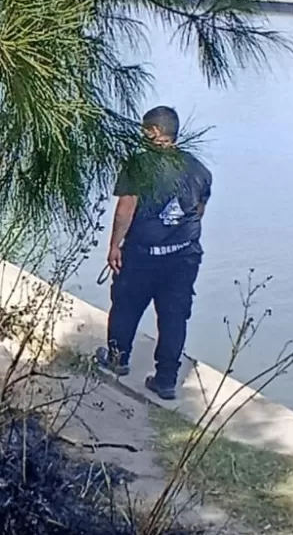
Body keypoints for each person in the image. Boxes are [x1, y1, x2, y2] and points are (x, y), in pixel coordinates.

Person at [95, 106, 212, 400]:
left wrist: (113, 246)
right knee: (174, 317)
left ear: (154, 132)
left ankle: (118, 360)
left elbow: (126, 210)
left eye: (144, 130)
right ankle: (166, 380)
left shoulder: (138, 165)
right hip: (183, 256)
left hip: (142, 254)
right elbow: (198, 212)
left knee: (126, 306)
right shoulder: (198, 169)